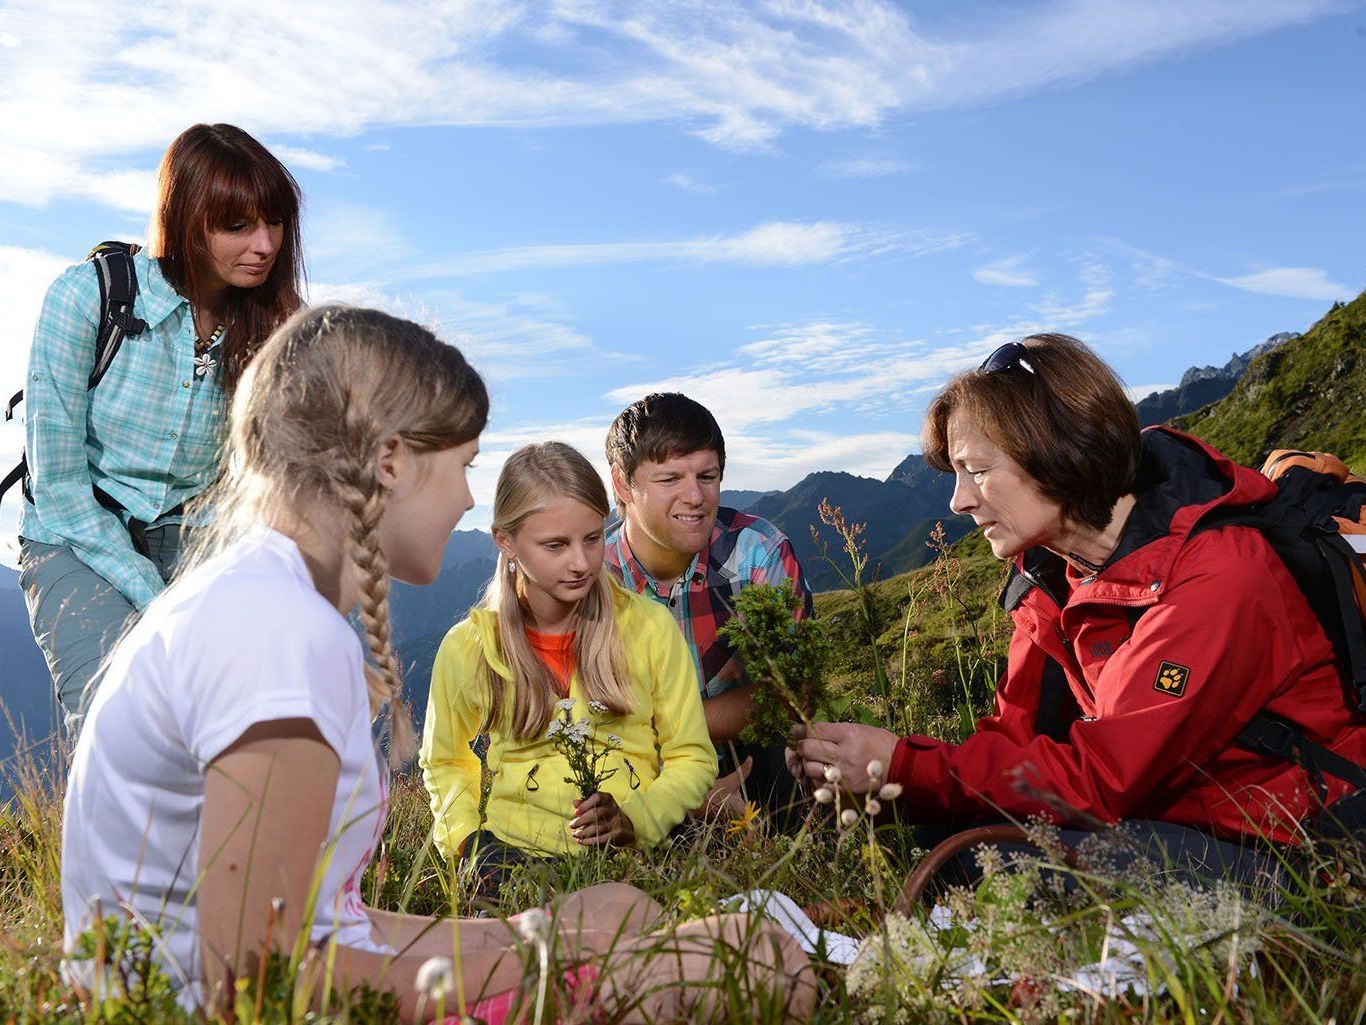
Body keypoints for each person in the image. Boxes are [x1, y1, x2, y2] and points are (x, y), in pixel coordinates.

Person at [61, 306, 814, 1023]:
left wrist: (551, 923)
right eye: (462, 464)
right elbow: (258, 976)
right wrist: (551, 940)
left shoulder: (262, 601)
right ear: (389, 461)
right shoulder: (281, 633)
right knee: (754, 966)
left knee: (713, 946)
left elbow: (325, 929)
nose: (463, 499)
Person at [790, 333, 1366, 887]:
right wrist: (884, 783)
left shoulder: (1218, 575)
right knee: (949, 837)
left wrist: (904, 766)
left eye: (979, 471)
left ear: (1057, 451)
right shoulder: (1051, 573)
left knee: (1010, 864)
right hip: (1175, 814)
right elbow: (1014, 739)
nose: (960, 501)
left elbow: (1104, 778)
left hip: (1298, 848)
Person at [18, 123, 305, 730]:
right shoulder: (85, 299)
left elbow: (271, 484)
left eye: (275, 221)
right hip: (76, 533)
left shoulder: (283, 328)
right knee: (117, 712)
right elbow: (59, 487)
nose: (264, 244)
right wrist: (160, 598)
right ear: (185, 221)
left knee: (237, 722)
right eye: (237, 226)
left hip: (201, 535)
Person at [421, 442, 717, 887]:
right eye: (555, 545)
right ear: (505, 541)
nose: (581, 563)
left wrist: (636, 821)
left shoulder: (649, 629)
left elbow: (691, 757)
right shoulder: (470, 648)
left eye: (593, 538)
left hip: (632, 863)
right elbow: (445, 761)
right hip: (510, 868)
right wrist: (469, 843)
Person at [604, 393, 814, 828]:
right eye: (670, 480)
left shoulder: (758, 552)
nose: (695, 497)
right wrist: (680, 790)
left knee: (797, 748)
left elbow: (793, 689)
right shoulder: (592, 578)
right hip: (633, 774)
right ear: (624, 485)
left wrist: (681, 733)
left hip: (749, 763)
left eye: (707, 475)